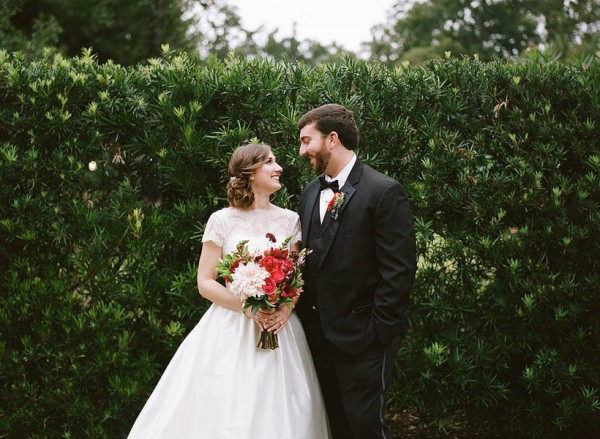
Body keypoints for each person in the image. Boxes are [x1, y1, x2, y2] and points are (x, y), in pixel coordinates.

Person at [128, 143, 330, 439]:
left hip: (279, 327)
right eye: (270, 163)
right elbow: (205, 281)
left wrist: (284, 309)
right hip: (231, 327)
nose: (279, 168)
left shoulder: (290, 220)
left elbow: (297, 275)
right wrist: (249, 307)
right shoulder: (222, 220)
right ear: (249, 172)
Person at [296, 104, 417, 439]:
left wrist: (379, 329)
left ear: (332, 139)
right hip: (316, 337)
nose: (302, 150)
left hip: (364, 337)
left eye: (307, 141)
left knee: (364, 426)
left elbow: (400, 269)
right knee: (333, 424)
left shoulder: (382, 191)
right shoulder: (309, 192)